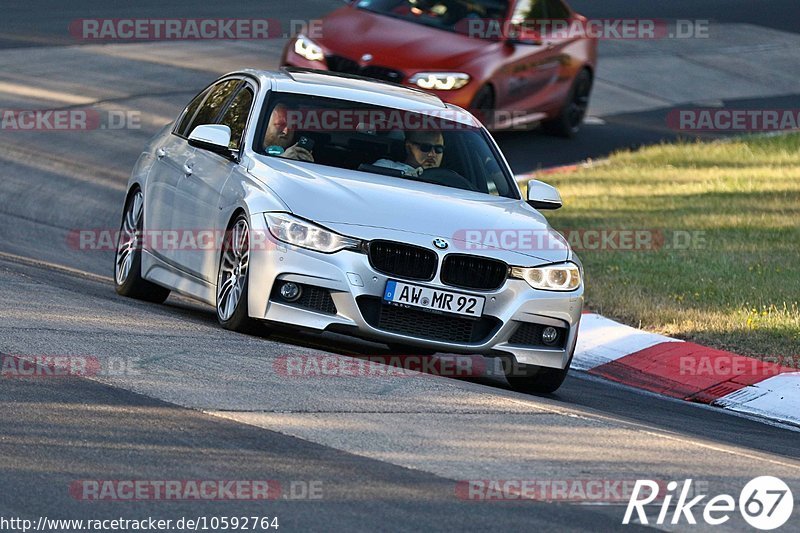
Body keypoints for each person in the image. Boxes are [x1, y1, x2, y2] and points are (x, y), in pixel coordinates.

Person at [374, 130, 444, 176]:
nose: (432, 154)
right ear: (408, 147)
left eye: (438, 149)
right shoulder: (386, 166)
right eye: (425, 147)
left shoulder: (449, 179)